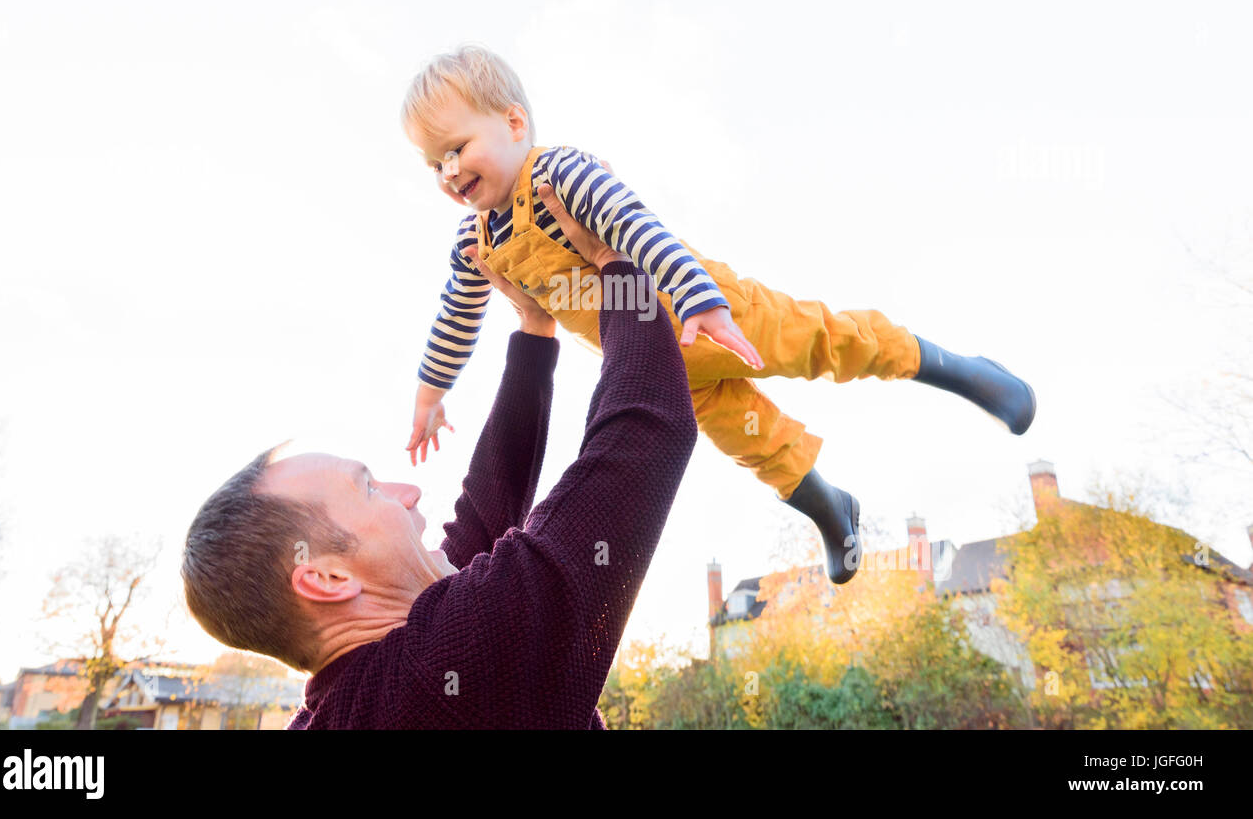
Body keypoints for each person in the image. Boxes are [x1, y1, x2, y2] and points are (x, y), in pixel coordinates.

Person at [401, 44, 1036, 584]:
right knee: (746, 435)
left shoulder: (561, 175)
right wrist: (431, 395)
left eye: (457, 148)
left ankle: (961, 371)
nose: (449, 172)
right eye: (434, 163)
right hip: (650, 355)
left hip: (707, 306)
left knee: (823, 342)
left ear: (514, 123)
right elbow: (455, 318)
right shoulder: (474, 243)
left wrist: (699, 300)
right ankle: (831, 507)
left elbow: (637, 226)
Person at [180, 192, 698, 728]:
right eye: (370, 490)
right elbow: (646, 434)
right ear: (329, 579)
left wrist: (534, 332)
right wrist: (615, 258)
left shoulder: (354, 698)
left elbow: (482, 523)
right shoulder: (446, 672)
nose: (409, 491)